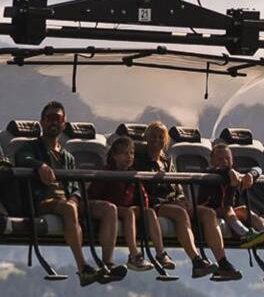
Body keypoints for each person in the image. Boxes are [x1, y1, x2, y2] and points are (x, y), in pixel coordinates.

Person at [13, 101, 116, 285]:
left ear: (63, 123)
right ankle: (83, 268)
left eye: (57, 119)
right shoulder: (32, 148)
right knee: (69, 210)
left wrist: (75, 199)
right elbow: (22, 158)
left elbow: (75, 185)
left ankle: (107, 264)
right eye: (49, 118)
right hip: (45, 200)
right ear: (42, 122)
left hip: (68, 200)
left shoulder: (68, 157)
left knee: (109, 209)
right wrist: (40, 166)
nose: (53, 122)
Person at [145, 121, 240, 281]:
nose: (157, 140)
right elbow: (142, 188)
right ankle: (196, 261)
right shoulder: (141, 160)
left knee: (208, 213)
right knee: (181, 213)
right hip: (154, 203)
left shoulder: (167, 161)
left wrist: (182, 199)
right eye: (153, 136)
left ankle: (222, 262)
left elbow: (177, 187)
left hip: (174, 202)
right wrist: (172, 202)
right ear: (147, 138)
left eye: (161, 137)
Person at [86, 136, 157, 273]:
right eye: (124, 153)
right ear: (115, 156)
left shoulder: (133, 175)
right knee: (128, 212)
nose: (129, 157)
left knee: (148, 212)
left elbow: (144, 199)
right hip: (108, 208)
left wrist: (140, 208)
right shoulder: (107, 172)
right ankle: (134, 255)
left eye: (131, 153)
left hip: (125, 209)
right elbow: (94, 194)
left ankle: (160, 254)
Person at [201, 142, 264, 249]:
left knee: (244, 209)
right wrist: (230, 176)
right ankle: (245, 234)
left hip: (228, 209)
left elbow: (258, 169)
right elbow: (225, 201)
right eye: (220, 159)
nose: (224, 161)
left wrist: (251, 174)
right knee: (227, 209)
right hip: (208, 210)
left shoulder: (235, 174)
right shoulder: (209, 174)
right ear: (212, 162)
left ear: (232, 160)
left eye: (227, 158)